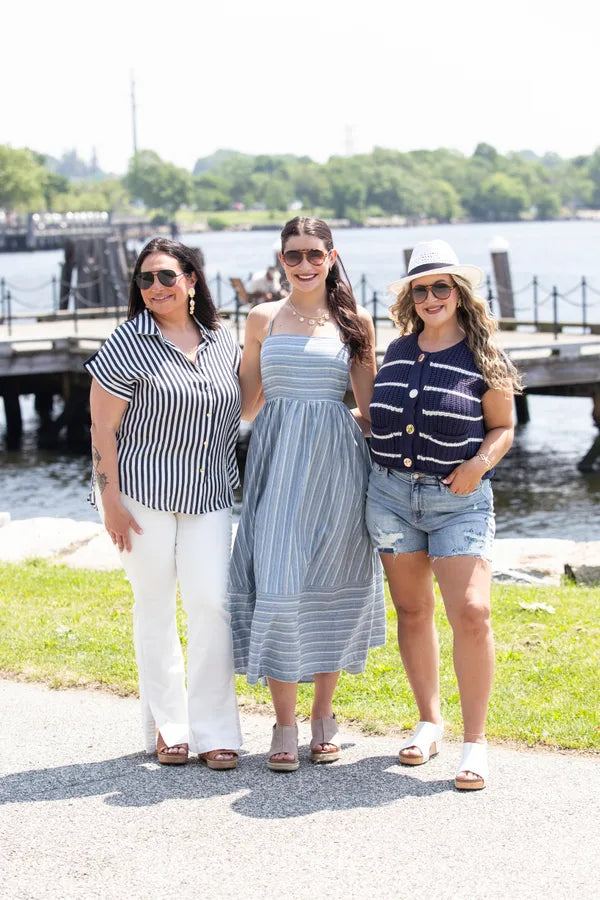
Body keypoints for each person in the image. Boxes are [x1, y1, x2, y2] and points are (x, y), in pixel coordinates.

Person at [229, 216, 385, 771]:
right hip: (276, 464)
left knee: (329, 586)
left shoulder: (355, 322)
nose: (304, 264)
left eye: (314, 254)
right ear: (281, 260)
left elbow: (370, 409)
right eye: (293, 255)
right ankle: (284, 723)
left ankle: (323, 717)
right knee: (278, 584)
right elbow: (246, 404)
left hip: (337, 468)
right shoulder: (262, 318)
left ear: (331, 257)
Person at [365, 239, 522, 791]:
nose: (431, 297)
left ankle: (475, 743)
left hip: (459, 501)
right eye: (421, 289)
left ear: (458, 293)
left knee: (472, 612)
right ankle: (429, 722)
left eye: (441, 287)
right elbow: (373, 415)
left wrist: (479, 464)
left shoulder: (484, 355)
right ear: (410, 299)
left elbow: (503, 427)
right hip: (390, 498)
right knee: (412, 610)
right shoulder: (396, 350)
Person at [84, 237, 242, 769]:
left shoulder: (222, 341)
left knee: (211, 603)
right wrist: (110, 499)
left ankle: (215, 730)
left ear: (191, 280)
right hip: (139, 493)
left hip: (210, 493)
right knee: (154, 603)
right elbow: (101, 428)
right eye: (146, 279)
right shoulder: (127, 342)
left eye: (167, 276)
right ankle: (169, 726)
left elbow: (248, 403)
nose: (156, 287)